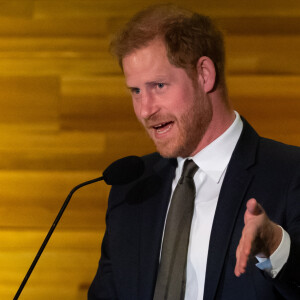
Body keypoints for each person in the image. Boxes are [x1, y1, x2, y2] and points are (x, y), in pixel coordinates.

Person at [88, 4, 300, 300]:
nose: (145, 109)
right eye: (135, 91)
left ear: (204, 75)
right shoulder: (132, 189)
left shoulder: (290, 174)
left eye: (158, 85)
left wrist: (277, 249)